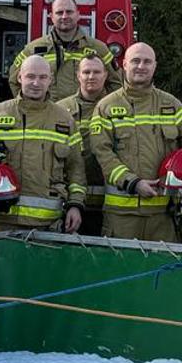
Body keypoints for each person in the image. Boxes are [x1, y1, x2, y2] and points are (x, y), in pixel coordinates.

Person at [87, 42, 182, 242]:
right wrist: (132, 183)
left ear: (155, 66)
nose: (141, 66)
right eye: (135, 61)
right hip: (122, 216)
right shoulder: (106, 106)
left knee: (162, 272)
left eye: (147, 61)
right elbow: (102, 153)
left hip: (163, 216)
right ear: (124, 64)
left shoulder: (171, 104)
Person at [0, 54, 85, 233]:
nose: (36, 83)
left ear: (51, 80)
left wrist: (75, 205)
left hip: (49, 226)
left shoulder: (64, 120)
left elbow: (76, 168)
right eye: (30, 76)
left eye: (42, 77)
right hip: (2, 222)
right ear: (19, 77)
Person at [12, 0, 117, 102]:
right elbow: (14, 79)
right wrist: (30, 106)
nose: (64, 16)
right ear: (51, 17)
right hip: (47, 115)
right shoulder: (33, 49)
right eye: (59, 13)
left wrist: (100, 107)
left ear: (78, 15)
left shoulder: (98, 49)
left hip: (84, 116)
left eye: (69, 12)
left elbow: (116, 83)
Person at [57, 56, 112, 236]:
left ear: (105, 75)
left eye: (96, 72)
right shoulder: (59, 110)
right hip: (70, 201)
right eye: (86, 72)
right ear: (78, 75)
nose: (91, 76)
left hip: (109, 202)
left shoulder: (118, 106)